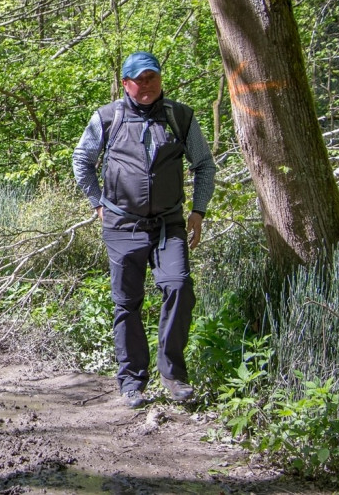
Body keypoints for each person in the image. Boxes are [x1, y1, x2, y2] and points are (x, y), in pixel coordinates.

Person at [72, 51, 216, 409]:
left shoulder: (180, 117)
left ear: (160, 79)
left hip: (169, 223)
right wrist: (97, 203)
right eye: (139, 79)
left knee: (178, 285)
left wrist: (198, 211)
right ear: (126, 83)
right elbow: (82, 160)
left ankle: (173, 375)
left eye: (152, 77)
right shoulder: (108, 117)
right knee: (127, 302)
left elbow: (204, 165)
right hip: (122, 224)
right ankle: (132, 381)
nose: (147, 84)